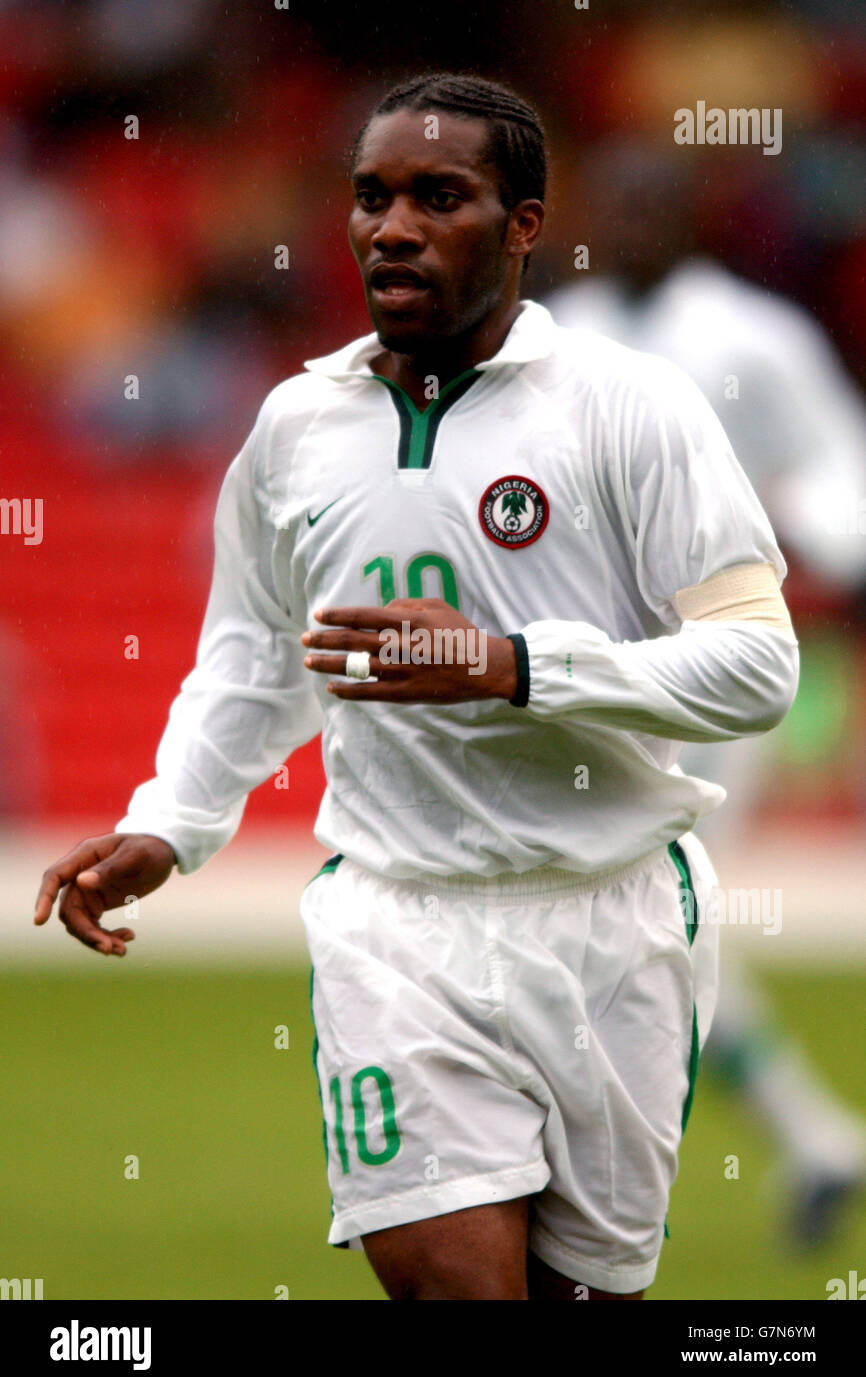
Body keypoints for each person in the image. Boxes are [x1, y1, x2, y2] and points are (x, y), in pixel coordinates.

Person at [34, 74, 799, 1301]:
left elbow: (757, 664)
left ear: (523, 223)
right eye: (371, 197)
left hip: (612, 922)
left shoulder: (627, 408)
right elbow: (252, 650)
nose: (391, 227)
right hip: (395, 923)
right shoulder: (295, 426)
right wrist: (168, 822)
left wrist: (510, 665)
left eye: (438, 197)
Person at [547, 137, 866, 1247]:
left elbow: (841, 468)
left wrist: (807, 529)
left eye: (649, 204)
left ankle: (576, 1173)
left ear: (688, 221)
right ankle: (813, 1137)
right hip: (585, 665)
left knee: (646, 904)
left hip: (710, 660)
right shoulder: (561, 333)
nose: (628, 223)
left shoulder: (753, 340)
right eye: (614, 202)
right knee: (644, 921)